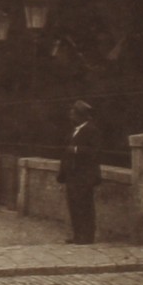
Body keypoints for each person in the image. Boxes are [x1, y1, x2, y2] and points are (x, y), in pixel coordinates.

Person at [58, 99, 102, 244]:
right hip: (72, 175)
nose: (71, 116)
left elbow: (95, 151)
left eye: (73, 113)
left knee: (85, 206)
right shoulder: (75, 131)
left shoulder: (91, 130)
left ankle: (87, 237)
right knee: (74, 205)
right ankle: (78, 235)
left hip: (84, 176)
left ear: (81, 115)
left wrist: (76, 150)